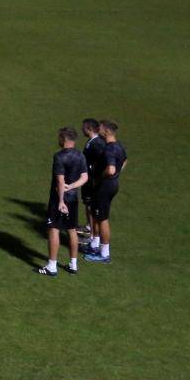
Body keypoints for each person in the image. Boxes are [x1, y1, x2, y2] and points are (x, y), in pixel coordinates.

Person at [38, 126, 88, 276]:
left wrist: (60, 200)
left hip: (59, 199)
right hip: (73, 197)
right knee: (72, 229)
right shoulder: (81, 156)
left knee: (54, 228)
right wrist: (72, 187)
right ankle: (73, 264)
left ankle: (52, 266)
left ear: (64, 139)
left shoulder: (59, 156)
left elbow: (60, 181)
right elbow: (84, 178)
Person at [85, 120, 128, 264]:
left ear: (107, 132)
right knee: (98, 216)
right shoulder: (119, 146)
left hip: (104, 186)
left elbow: (111, 169)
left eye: (100, 129)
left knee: (102, 219)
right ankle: (97, 247)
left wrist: (99, 178)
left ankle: (104, 254)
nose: (98, 131)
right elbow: (124, 161)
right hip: (112, 185)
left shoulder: (109, 149)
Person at [78, 117, 104, 237]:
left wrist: (92, 170)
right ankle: (89, 226)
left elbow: (101, 161)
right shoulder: (92, 141)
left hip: (92, 180)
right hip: (88, 179)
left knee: (91, 206)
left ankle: (93, 235)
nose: (81, 129)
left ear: (89, 128)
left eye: (83, 127)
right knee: (88, 204)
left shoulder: (97, 143)